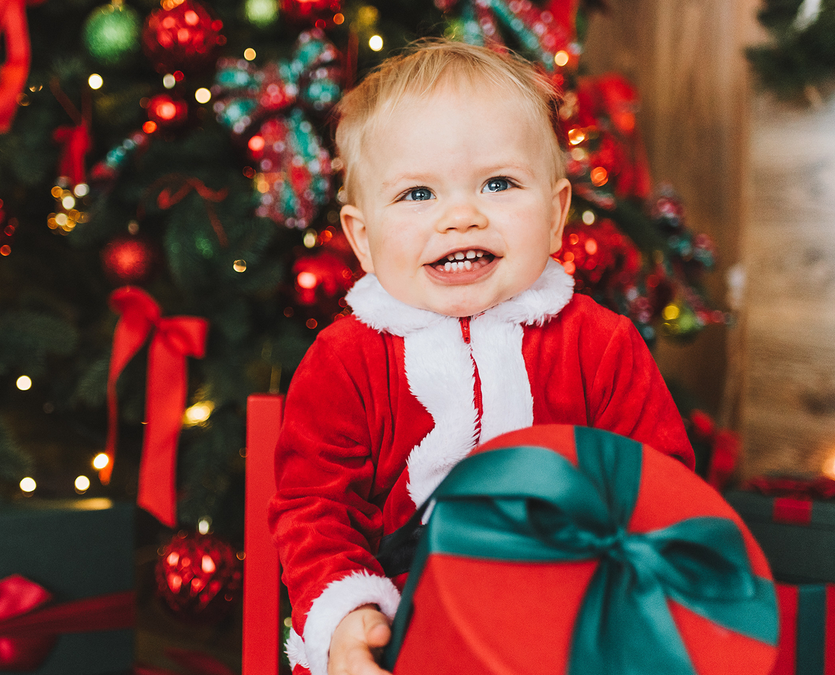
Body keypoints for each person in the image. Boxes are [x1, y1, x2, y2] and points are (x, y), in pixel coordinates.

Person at [267, 39, 694, 675]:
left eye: (498, 183)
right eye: (417, 194)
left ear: (554, 219)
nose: (462, 216)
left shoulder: (599, 346)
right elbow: (316, 513)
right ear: (362, 237)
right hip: (404, 631)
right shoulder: (347, 359)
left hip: (568, 623)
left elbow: (659, 493)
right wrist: (351, 617)